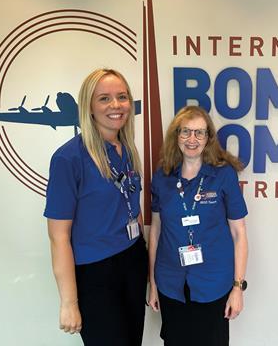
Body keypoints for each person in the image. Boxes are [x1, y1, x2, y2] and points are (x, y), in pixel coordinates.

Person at [44, 69, 148, 345]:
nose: (116, 105)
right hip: (96, 273)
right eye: (104, 98)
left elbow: (131, 205)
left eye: (122, 97)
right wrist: (69, 302)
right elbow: (58, 237)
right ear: (89, 107)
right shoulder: (69, 158)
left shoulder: (125, 149)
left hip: (133, 259)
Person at [148, 105, 249, 346]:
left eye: (199, 133)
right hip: (171, 284)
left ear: (208, 138)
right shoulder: (163, 176)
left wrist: (238, 287)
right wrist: (153, 284)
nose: (192, 139)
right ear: (176, 136)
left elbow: (239, 234)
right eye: (185, 132)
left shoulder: (224, 175)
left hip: (213, 284)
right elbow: (155, 233)